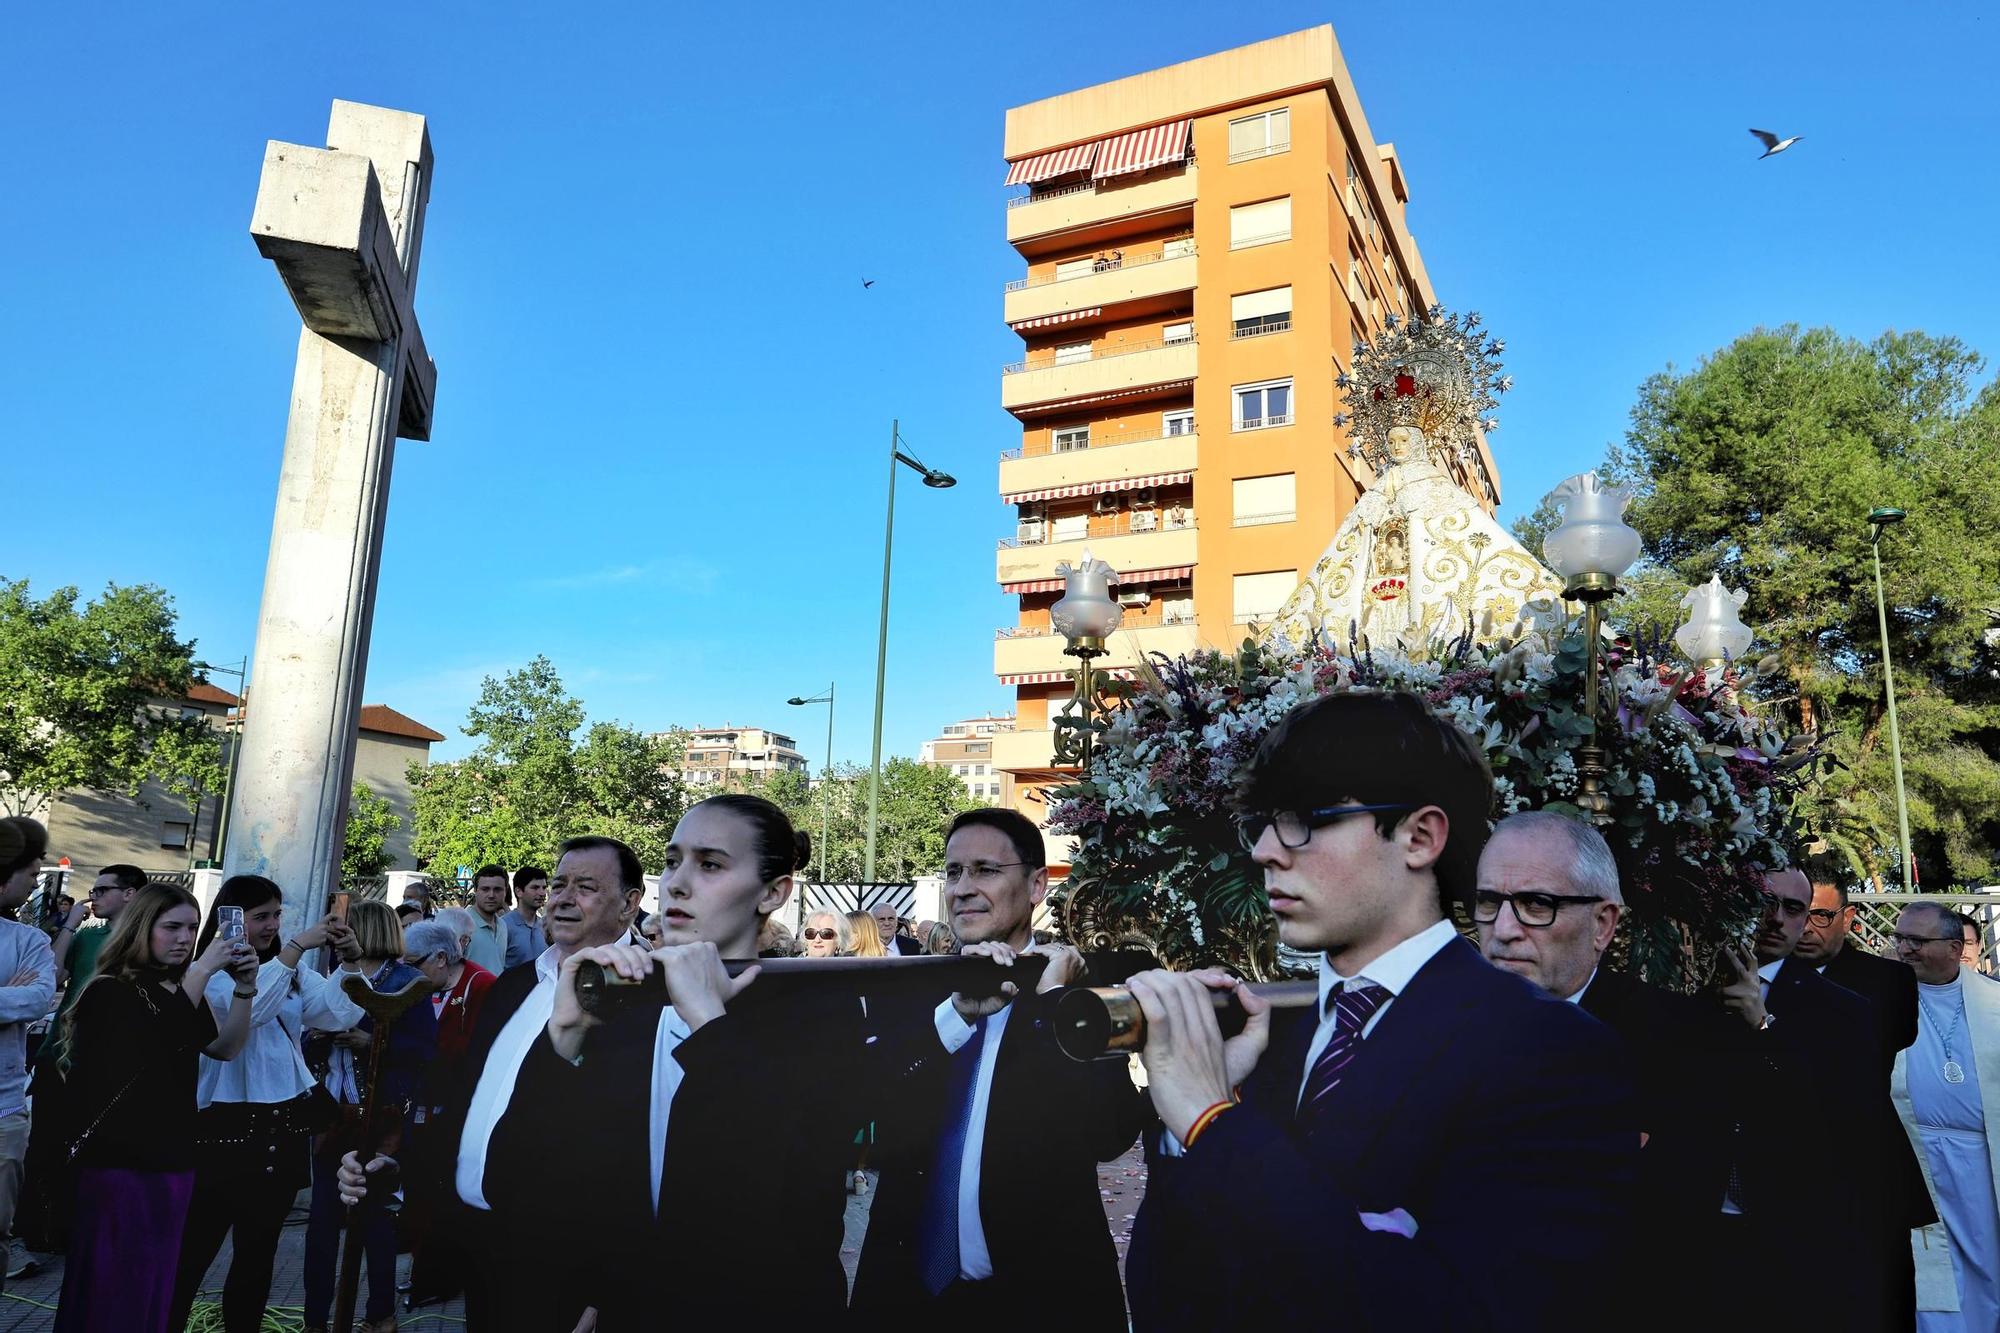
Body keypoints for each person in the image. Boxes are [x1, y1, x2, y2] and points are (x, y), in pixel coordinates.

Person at [1122, 692, 1638, 1333]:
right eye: (1260, 822)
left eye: (1304, 818)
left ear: (1419, 837)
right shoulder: (1271, 1035)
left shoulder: (1550, 1052)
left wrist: (1214, 1122)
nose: (1263, 851)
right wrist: (1188, 1125)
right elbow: (1164, 1294)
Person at [524, 795, 868, 1324]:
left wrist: (710, 1023)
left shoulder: (821, 1012)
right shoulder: (632, 1006)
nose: (677, 883)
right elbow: (567, 1169)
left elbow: (780, 1183)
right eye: (672, 861)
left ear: (773, 892)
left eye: (709, 864)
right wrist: (564, 1041)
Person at [852, 807, 1148, 1330]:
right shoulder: (909, 989)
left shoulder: (1079, 994)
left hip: (1040, 1298)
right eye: (953, 872)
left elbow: (1109, 1130)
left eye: (986, 870)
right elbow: (866, 1104)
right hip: (904, 1298)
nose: (962, 888)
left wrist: (1056, 1003)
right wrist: (954, 1018)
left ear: (1036, 885)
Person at [339, 835, 649, 1331]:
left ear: (630, 903)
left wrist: (602, 1288)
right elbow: (469, 1102)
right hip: (481, 1246)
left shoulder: (647, 1000)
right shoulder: (516, 984)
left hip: (566, 1268)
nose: (564, 897)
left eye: (586, 887)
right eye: (560, 883)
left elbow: (638, 1157)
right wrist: (396, 1164)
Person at [1473, 810, 1720, 1331]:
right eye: (1489, 903)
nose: (1503, 930)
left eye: (1537, 904)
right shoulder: (1432, 1027)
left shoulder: (1678, 1038)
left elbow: (1675, 1222)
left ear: (1603, 924)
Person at [53, 883, 259, 1332]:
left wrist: (246, 990)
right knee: (111, 1289)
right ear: (142, 928)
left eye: (191, 927)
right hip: (119, 1164)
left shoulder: (179, 988)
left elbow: (222, 1049)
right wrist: (202, 972)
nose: (184, 939)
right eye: (171, 928)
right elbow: (154, 1044)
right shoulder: (110, 991)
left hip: (174, 1159)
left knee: (154, 1285)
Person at [169, 878, 367, 1333]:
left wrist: (351, 962)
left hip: (282, 1121)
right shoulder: (208, 972)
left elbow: (337, 1013)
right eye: (260, 916)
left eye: (277, 914)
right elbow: (249, 1011)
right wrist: (295, 947)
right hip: (222, 1122)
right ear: (231, 918)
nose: (271, 924)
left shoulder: (290, 970)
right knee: (194, 1250)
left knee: (258, 1254)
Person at [1701, 869, 1883, 1329]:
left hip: (1793, 1228)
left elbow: (1841, 1118)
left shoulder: (1844, 1011)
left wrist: (1764, 1026)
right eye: (1765, 902)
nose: (1776, 919)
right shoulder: (1692, 989)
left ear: (1807, 922)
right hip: (1697, 1223)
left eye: (1793, 909)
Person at [1793, 872, 1931, 1326]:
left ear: (1849, 918)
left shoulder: (1886, 979)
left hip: (1865, 1157)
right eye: (1799, 913)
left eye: (1821, 915)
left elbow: (1872, 1048)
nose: (1807, 927)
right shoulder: (1760, 975)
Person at [301, 902, 436, 1333]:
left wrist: (370, 1039)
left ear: (366, 929)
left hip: (382, 1113)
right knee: (321, 1223)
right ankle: (315, 1320)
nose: (340, 933)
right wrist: (319, 1038)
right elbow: (306, 1039)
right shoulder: (336, 974)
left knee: (375, 1222)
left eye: (348, 926)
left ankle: (381, 1316)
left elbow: (424, 1051)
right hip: (332, 1112)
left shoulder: (407, 981)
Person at [1891, 899, 2000, 1328]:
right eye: (1900, 939)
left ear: (1956, 948)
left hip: (1985, 1161)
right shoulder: (1884, 1001)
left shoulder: (1994, 1003)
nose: (1905, 949)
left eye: (1918, 940)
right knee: (1933, 1273)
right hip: (1917, 1159)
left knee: (1987, 1265)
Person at [0, 819, 56, 1289]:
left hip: (4, 1111)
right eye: (31, 869)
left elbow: (38, 999)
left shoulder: (28, 940)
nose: (37, 879)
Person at [463, 866, 510, 975]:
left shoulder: (503, 925)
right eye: (485, 889)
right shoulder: (460, 924)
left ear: (505, 891)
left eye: (497, 889)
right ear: (475, 890)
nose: (491, 895)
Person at [501, 866, 547, 970]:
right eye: (535, 888)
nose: (542, 893)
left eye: (544, 887)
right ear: (519, 891)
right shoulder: (503, 926)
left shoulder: (545, 927)